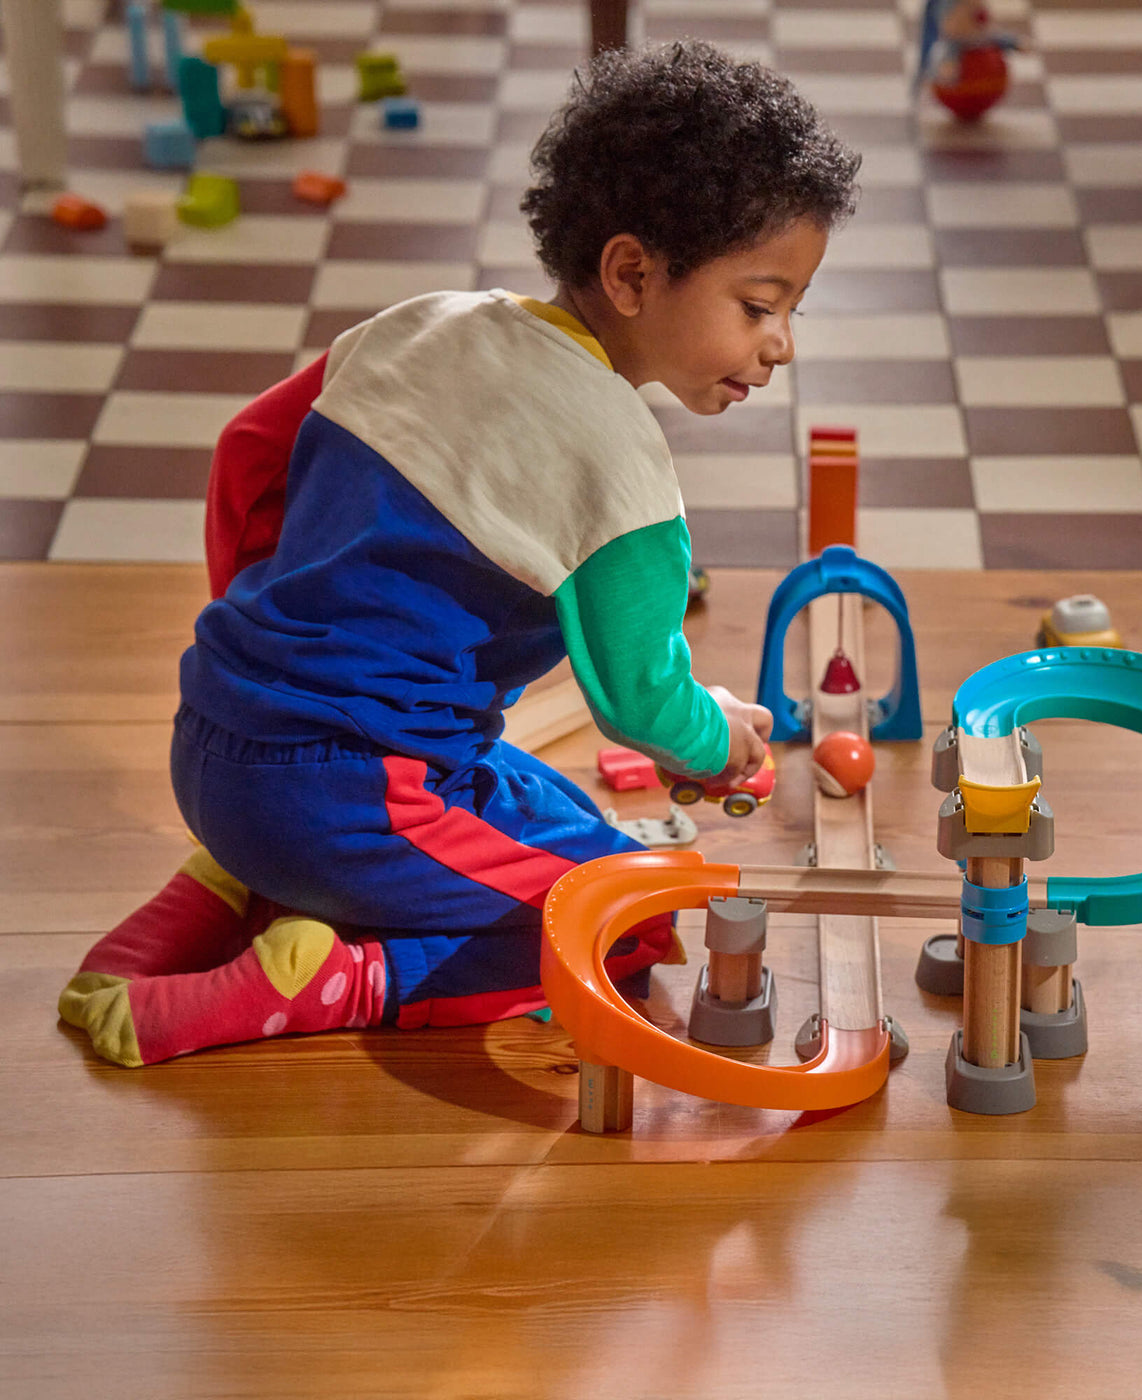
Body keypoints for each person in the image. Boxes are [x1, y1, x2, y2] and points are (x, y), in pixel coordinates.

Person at [59, 39, 861, 1067]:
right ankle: (333, 979)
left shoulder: (423, 325)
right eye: (757, 305)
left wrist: (263, 641)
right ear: (630, 271)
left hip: (211, 736)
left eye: (790, 310)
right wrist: (718, 743)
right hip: (353, 793)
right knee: (630, 921)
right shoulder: (617, 460)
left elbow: (247, 456)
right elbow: (635, 702)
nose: (779, 342)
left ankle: (227, 885)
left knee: (557, 811)